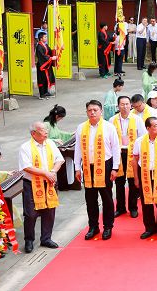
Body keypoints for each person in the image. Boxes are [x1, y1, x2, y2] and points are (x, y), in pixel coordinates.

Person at [73, 100, 121, 241]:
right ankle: (93, 226)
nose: (92, 112)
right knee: (90, 199)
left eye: (95, 110)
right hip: (88, 166)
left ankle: (108, 226)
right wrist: (77, 167)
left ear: (101, 111)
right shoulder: (81, 127)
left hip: (105, 165)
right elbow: (78, 149)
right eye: (90, 110)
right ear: (86, 112)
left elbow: (115, 148)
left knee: (106, 198)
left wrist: (115, 168)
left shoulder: (109, 127)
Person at [18, 121, 64, 253]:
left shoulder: (50, 143)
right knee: (31, 213)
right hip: (32, 184)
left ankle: (46, 238)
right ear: (33, 133)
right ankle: (29, 240)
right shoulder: (25, 147)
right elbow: (26, 167)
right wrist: (45, 173)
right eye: (43, 131)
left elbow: (59, 159)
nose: (46, 132)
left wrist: (53, 172)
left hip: (49, 182)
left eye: (46, 130)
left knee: (49, 211)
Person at [111, 95, 145, 218]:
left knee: (132, 182)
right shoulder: (112, 120)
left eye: (127, 104)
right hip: (118, 154)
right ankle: (120, 208)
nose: (125, 107)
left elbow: (142, 137)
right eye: (122, 104)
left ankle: (133, 207)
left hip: (132, 154)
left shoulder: (136, 119)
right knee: (119, 182)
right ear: (118, 106)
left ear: (131, 105)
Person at [35, 32, 57, 99]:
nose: (46, 38)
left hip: (47, 65)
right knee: (42, 79)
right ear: (41, 38)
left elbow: (50, 52)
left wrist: (54, 49)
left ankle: (46, 92)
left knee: (47, 79)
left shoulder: (45, 45)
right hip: (42, 65)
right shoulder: (39, 46)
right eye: (45, 37)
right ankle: (42, 94)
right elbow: (42, 56)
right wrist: (51, 58)